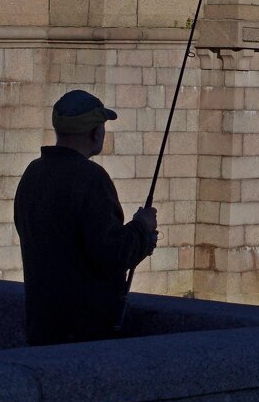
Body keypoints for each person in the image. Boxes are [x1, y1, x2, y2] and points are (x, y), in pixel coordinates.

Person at [14, 89, 158, 346]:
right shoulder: (91, 179)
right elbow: (110, 254)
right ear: (96, 132)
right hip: (84, 332)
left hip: (42, 326)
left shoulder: (33, 174)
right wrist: (142, 228)